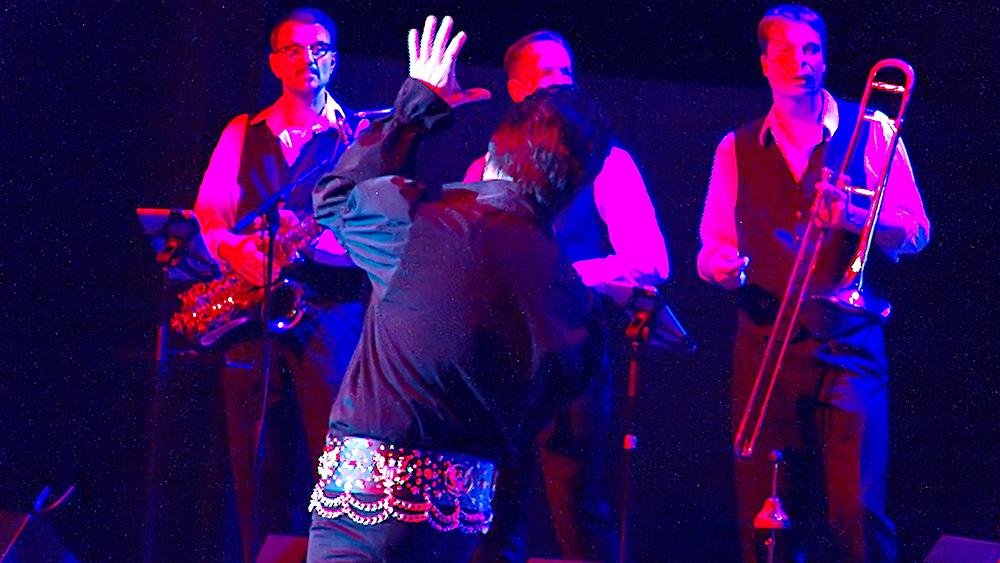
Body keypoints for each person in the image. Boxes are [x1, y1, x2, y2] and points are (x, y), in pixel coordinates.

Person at [306, 15, 611, 562]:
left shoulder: (419, 220)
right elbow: (552, 430)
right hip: (464, 530)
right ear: (578, 187)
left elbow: (333, 197)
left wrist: (415, 109)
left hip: (362, 523)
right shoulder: (576, 304)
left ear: (492, 154)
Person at [697, 5, 930, 562]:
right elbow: (711, 248)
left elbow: (917, 230)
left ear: (824, 59)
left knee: (857, 512)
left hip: (850, 344)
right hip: (767, 346)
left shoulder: (873, 129)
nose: (800, 62)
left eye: (811, 50)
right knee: (768, 518)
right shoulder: (736, 146)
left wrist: (854, 214)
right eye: (785, 51)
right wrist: (721, 266)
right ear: (764, 63)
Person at [464, 30, 670, 561]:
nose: (560, 83)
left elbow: (651, 261)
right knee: (493, 512)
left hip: (574, 357)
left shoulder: (609, 162)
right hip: (503, 360)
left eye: (566, 72)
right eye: (545, 74)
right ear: (517, 89)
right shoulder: (485, 169)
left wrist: (560, 273)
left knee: (578, 508)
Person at [192, 8, 368, 560]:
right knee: (254, 457)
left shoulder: (360, 135)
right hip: (254, 312)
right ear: (274, 62)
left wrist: (321, 244)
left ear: (334, 59)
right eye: (293, 49)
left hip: (332, 310)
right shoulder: (242, 132)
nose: (307, 59)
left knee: (334, 458)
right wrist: (241, 251)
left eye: (319, 49)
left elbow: (379, 229)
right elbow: (210, 221)